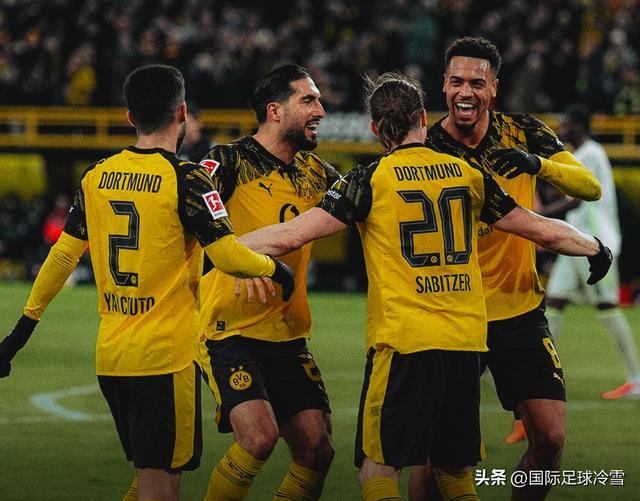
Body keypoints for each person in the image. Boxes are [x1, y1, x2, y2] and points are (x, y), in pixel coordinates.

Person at [236, 72, 611, 501]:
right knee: (454, 470)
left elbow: (291, 235)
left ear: (376, 129)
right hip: (466, 343)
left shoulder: (369, 179)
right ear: (422, 120)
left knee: (377, 469)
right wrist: (593, 246)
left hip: (405, 342)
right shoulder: (466, 174)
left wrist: (223, 248)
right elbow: (538, 228)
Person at [0, 64, 294, 501]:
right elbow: (227, 255)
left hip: (112, 358)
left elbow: (62, 256)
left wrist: (19, 333)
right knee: (161, 487)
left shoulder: (96, 175)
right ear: (182, 113)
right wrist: (276, 271)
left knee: (148, 478)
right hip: (164, 360)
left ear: (129, 116)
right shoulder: (187, 179)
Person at [412, 36, 603, 500]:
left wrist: (537, 164)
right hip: (454, 315)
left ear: (493, 88)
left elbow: (589, 186)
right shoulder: (425, 147)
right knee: (439, 455)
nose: (466, 92)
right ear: (443, 85)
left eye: (477, 83)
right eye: (457, 81)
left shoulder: (523, 131)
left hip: (519, 310)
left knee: (550, 439)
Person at [196, 64, 340, 501]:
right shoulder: (227, 162)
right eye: (308, 100)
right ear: (275, 110)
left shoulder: (319, 174)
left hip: (287, 332)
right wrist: (242, 259)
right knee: (258, 437)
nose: (320, 110)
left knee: (317, 449)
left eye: (319, 100)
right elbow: (189, 218)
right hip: (228, 329)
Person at [546, 104, 640, 399]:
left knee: (607, 307)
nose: (562, 129)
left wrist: (537, 216)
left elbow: (575, 200)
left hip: (596, 244)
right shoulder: (581, 155)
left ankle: (636, 379)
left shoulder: (591, 154)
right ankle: (540, 372)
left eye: (566, 124)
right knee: (554, 300)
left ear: (578, 125)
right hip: (575, 240)